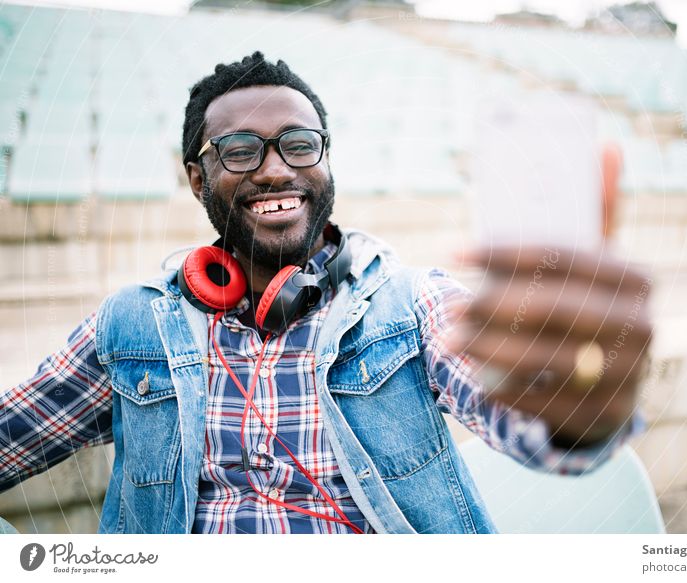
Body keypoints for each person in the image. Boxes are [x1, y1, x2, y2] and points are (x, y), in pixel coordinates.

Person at [0, 52, 652, 534]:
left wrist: (582, 391)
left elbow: (542, 431)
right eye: (239, 152)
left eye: (299, 144)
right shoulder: (132, 325)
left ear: (327, 160)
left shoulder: (411, 306)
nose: (277, 168)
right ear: (197, 179)